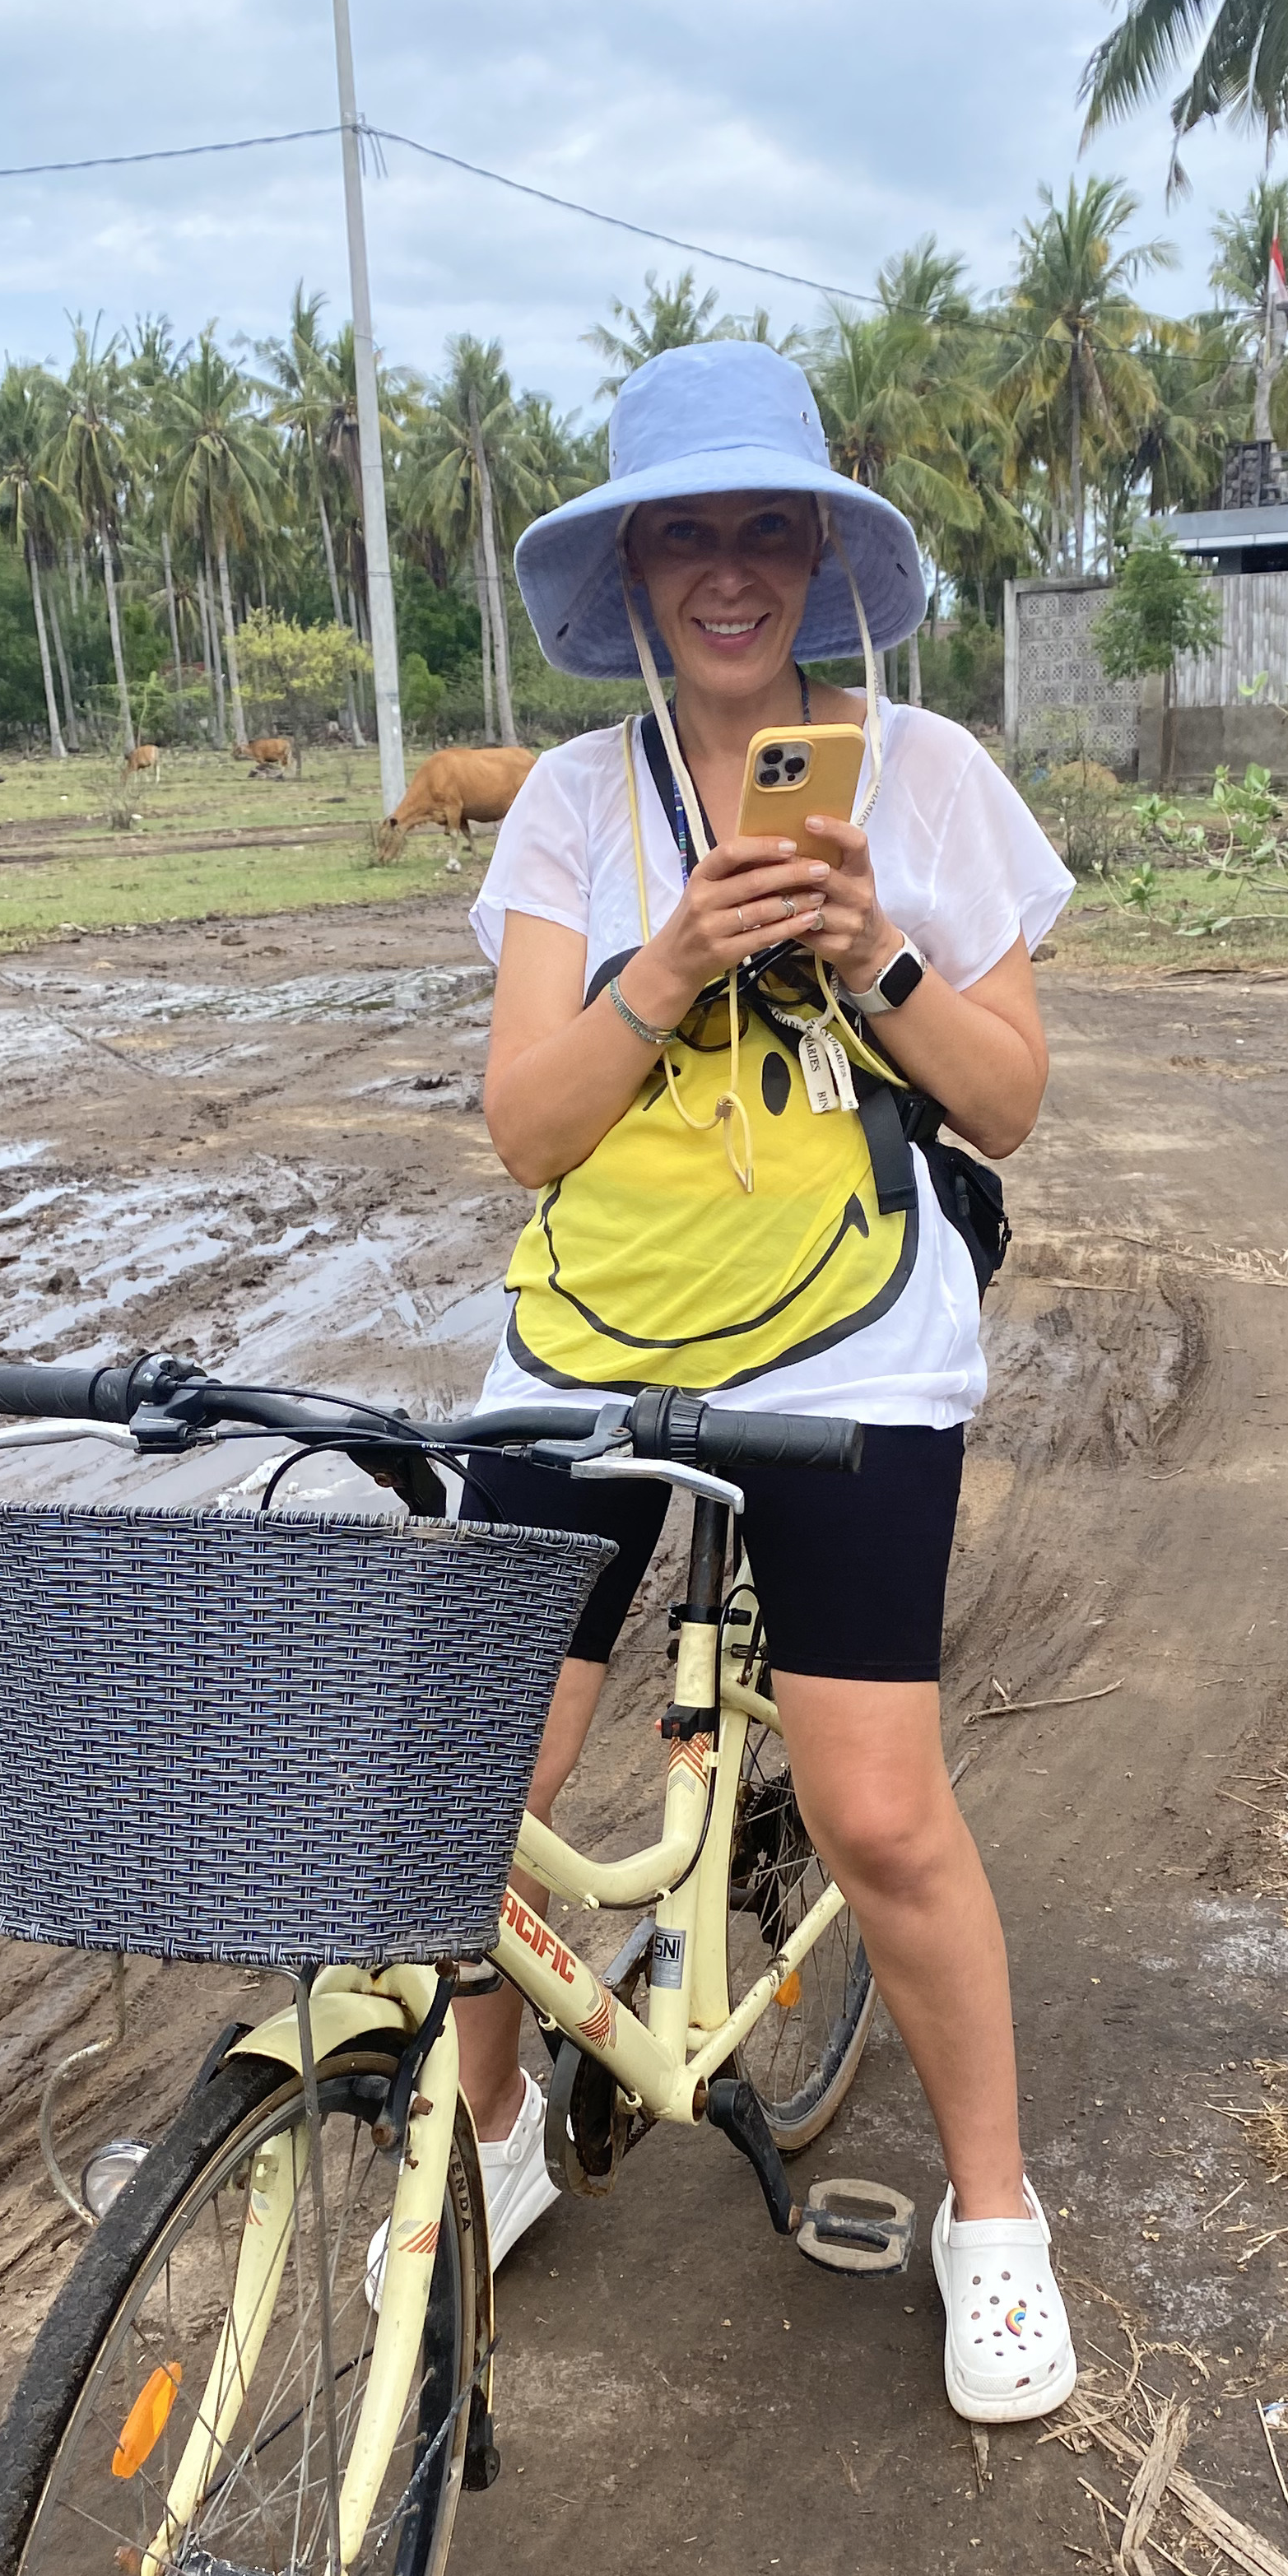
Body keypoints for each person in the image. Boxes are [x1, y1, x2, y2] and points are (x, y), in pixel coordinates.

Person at [454, 341, 1075, 2423]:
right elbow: (527, 1129)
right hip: (590, 1333)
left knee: (887, 1814)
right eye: (684, 533)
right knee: (459, 1802)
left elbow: (1012, 1101)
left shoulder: (929, 777)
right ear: (633, 573)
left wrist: (872, 954)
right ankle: (490, 2152)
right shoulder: (569, 803)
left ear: (820, 553)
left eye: (764, 526)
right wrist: (673, 959)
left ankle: (996, 2218)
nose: (728, 570)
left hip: (856, 1346)